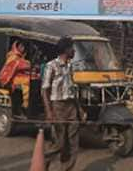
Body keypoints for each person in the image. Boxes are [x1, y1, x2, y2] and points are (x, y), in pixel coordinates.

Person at [42, 37, 83, 171]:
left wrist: (80, 110)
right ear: (66, 50)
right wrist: (49, 112)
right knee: (59, 143)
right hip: (58, 106)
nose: (74, 51)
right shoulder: (51, 66)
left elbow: (72, 89)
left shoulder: (71, 66)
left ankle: (66, 169)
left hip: (71, 107)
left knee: (73, 144)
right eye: (72, 48)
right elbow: (44, 90)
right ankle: (43, 164)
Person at [0, 39, 31, 115]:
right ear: (17, 46)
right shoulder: (13, 56)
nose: (23, 48)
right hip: (13, 82)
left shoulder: (19, 56)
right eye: (21, 46)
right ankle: (21, 109)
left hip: (19, 80)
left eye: (24, 47)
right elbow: (10, 69)